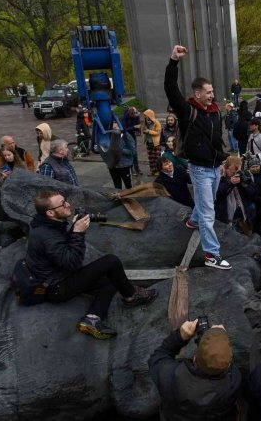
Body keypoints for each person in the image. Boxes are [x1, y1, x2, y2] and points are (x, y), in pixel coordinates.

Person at [26, 190, 158, 339]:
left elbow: (62, 250)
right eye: (63, 204)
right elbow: (72, 263)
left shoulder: (48, 225)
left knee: (112, 279)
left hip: (57, 275)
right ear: (50, 213)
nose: (68, 205)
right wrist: (78, 233)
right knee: (111, 261)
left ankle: (92, 318)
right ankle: (132, 296)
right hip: (56, 287)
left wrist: (73, 229)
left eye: (65, 200)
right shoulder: (46, 236)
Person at [164, 45, 231, 270]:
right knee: (208, 212)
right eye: (209, 92)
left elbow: (216, 139)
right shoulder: (187, 111)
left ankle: (193, 220)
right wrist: (174, 61)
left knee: (206, 206)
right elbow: (170, 88)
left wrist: (221, 162)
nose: (213, 95)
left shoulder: (215, 112)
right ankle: (212, 254)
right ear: (198, 94)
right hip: (200, 170)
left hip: (214, 167)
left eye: (212, 91)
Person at [148, 321, 241, 420]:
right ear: (228, 365)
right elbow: (225, 363)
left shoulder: (170, 376)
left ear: (194, 358)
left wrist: (179, 336)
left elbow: (158, 357)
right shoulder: (233, 382)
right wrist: (219, 338)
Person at [215, 156, 256, 234]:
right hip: (227, 218)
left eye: (237, 171)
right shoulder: (219, 177)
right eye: (233, 172)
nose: (235, 174)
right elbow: (217, 194)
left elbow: (253, 192)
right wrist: (230, 183)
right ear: (226, 168)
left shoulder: (244, 174)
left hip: (244, 216)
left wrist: (244, 185)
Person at [142, 109, 162, 176]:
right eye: (144, 116)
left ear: (150, 115)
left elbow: (158, 132)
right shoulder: (145, 122)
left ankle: (158, 171)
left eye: (146, 115)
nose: (144, 117)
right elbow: (143, 130)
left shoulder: (156, 122)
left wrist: (149, 131)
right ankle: (152, 170)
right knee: (151, 158)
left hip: (156, 143)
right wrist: (144, 130)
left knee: (157, 158)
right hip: (149, 142)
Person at [122, 106, 142, 176]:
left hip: (133, 136)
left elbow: (138, 124)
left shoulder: (136, 116)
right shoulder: (124, 118)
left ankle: (137, 169)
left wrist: (139, 128)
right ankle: (131, 169)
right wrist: (133, 127)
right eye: (134, 115)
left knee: (135, 153)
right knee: (129, 152)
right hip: (126, 137)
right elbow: (124, 130)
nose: (136, 117)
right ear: (130, 114)